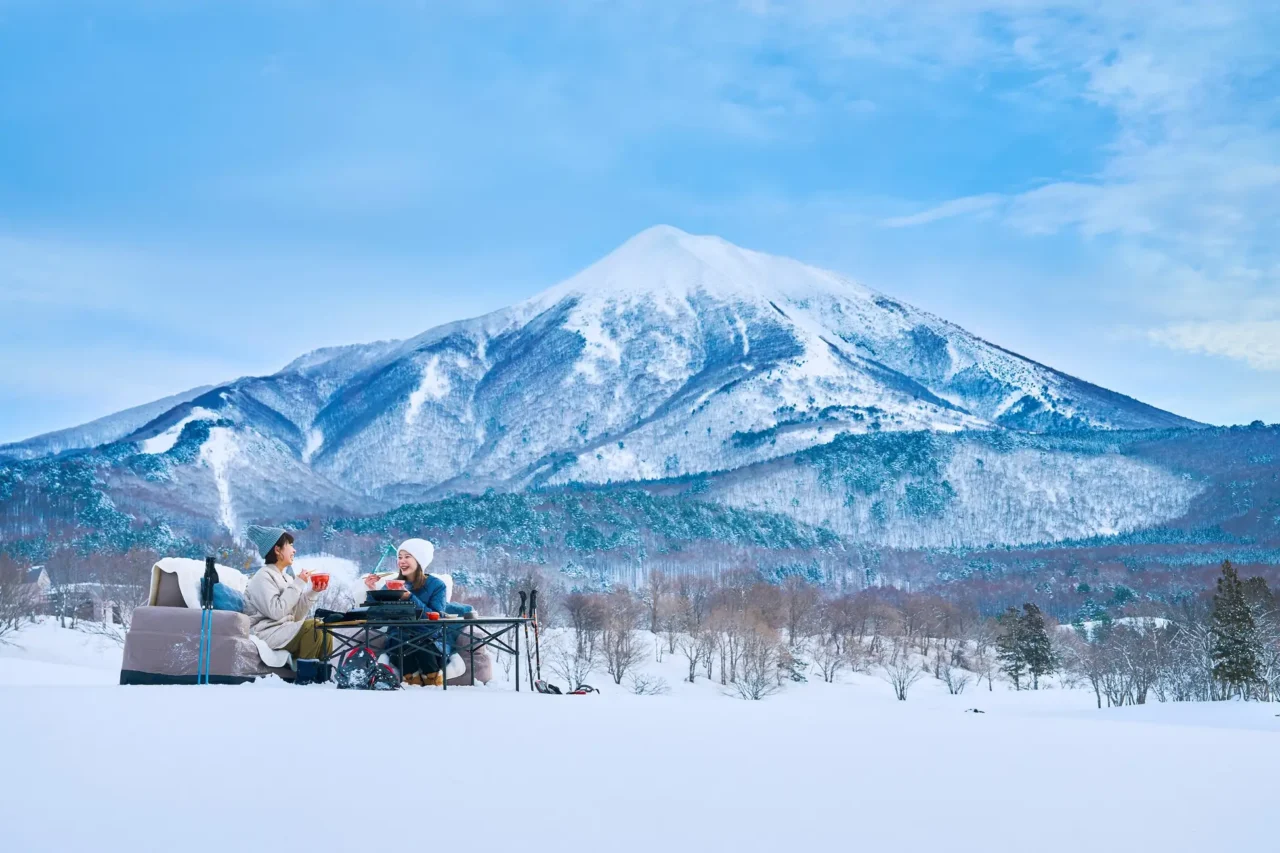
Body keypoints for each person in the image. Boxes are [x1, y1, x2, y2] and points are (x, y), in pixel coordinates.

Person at [363, 538, 474, 684]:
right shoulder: (392, 585)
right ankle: (413, 682)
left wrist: (409, 597)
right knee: (402, 643)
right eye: (399, 557)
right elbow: (375, 621)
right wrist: (372, 591)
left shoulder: (436, 585)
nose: (402, 561)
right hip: (399, 640)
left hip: (430, 640)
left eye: (407, 557)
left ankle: (432, 681)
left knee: (421, 645)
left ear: (419, 560)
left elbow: (434, 620)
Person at [243, 525, 331, 661]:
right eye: (290, 545)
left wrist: (313, 592)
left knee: (325, 627)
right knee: (313, 627)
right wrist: (298, 583)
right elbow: (276, 611)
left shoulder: (286, 578)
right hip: (267, 632)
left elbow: (295, 616)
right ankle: (306, 675)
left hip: (285, 630)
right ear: (277, 550)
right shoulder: (262, 577)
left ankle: (323, 675)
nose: (294, 550)